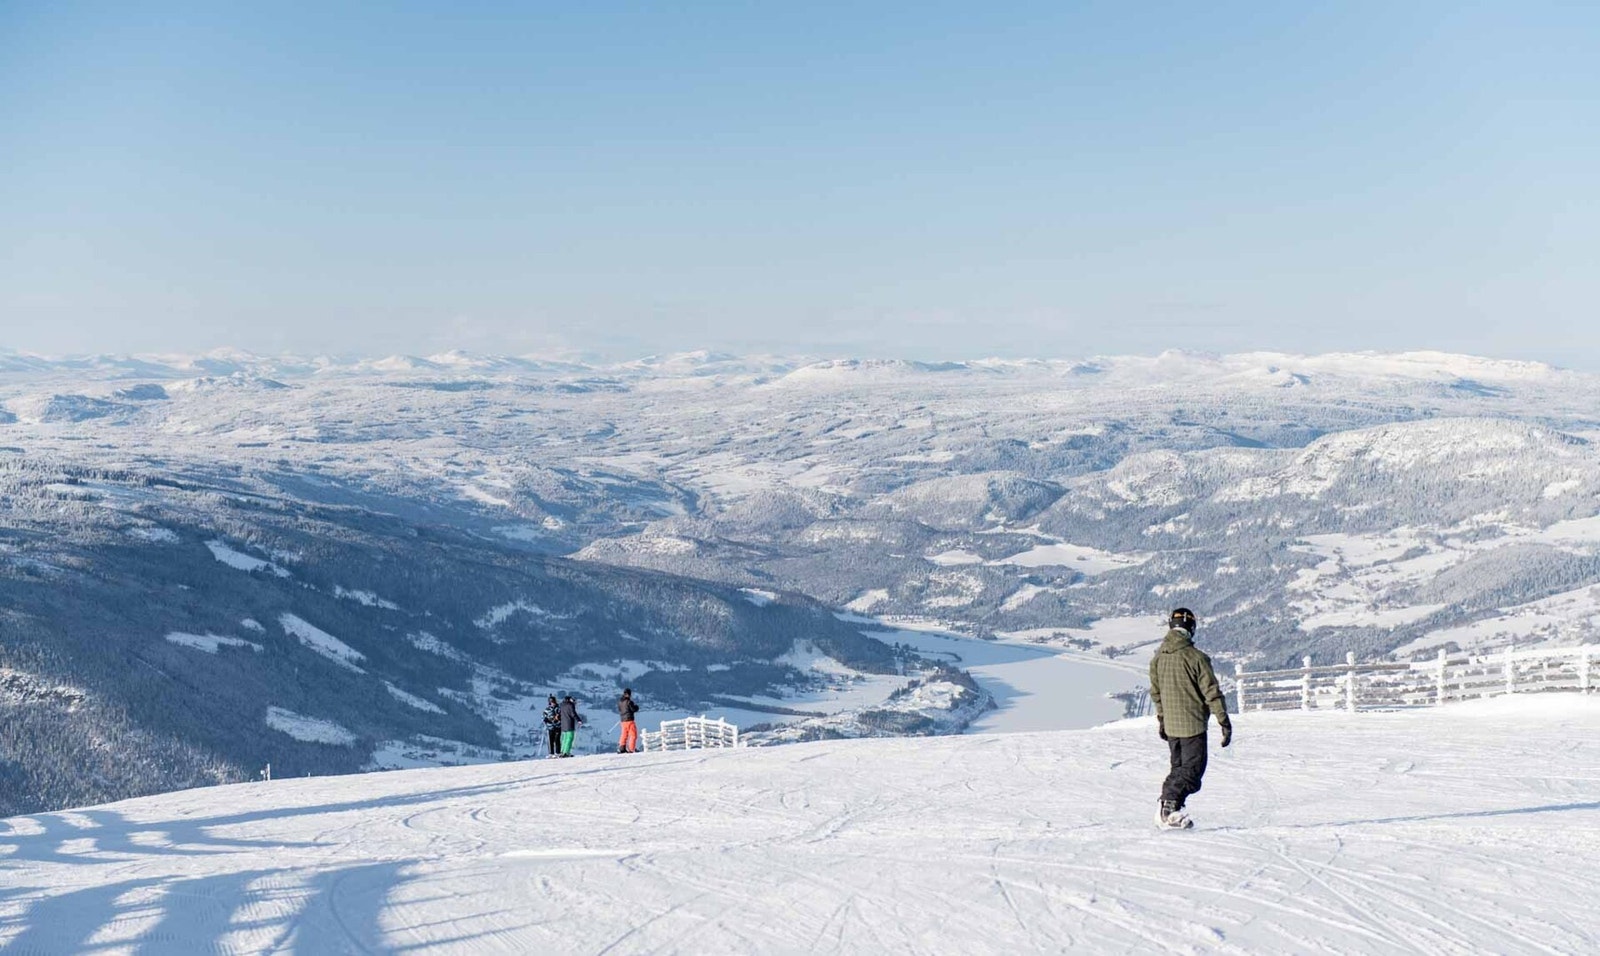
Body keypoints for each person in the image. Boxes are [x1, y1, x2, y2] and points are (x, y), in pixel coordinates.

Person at [1148, 607, 1232, 829]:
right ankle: (1167, 804)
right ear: (1191, 629)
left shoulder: (1158, 658)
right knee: (1192, 773)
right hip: (1192, 724)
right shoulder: (1196, 658)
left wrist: (1162, 719)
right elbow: (1211, 692)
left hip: (1172, 727)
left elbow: (1156, 693)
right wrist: (1223, 721)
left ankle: (1172, 811)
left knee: (1179, 769)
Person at [617, 688, 640, 753]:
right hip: (630, 720)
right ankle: (631, 749)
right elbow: (633, 709)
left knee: (624, 734)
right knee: (633, 735)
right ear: (629, 694)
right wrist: (636, 707)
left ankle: (622, 748)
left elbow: (620, 710)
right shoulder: (629, 702)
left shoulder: (620, 702)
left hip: (623, 721)